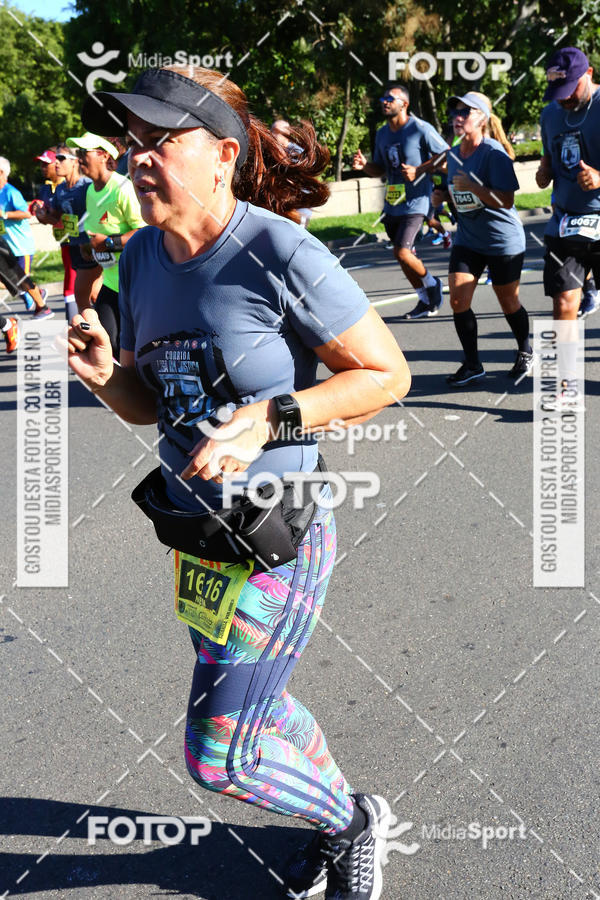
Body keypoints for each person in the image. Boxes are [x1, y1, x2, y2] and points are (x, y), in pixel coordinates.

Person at [68, 65, 411, 900]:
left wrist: (269, 419)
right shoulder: (140, 256)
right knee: (259, 703)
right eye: (130, 144)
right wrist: (106, 375)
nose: (136, 158)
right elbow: (154, 407)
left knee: (218, 753)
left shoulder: (277, 250)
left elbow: (386, 376)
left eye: (158, 142)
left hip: (276, 536)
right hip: (197, 538)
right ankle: (337, 818)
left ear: (222, 155)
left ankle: (353, 821)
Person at [440, 92, 532, 385]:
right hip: (468, 240)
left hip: (501, 240)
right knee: (457, 298)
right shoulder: (453, 154)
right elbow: (457, 195)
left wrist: (474, 187)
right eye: (454, 111)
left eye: (464, 112)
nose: (457, 117)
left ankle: (525, 350)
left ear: (481, 117)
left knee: (508, 302)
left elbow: (505, 200)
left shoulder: (494, 154)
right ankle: (472, 363)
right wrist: (441, 196)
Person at [352, 84, 448, 318]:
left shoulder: (420, 129)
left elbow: (446, 154)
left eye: (390, 98)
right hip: (393, 201)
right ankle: (424, 300)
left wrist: (420, 170)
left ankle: (432, 283)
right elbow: (381, 169)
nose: (385, 101)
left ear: (404, 104)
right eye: (383, 98)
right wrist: (364, 166)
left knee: (403, 251)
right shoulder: (383, 133)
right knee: (401, 254)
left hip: (417, 201)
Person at [65, 132, 145, 356]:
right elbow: (97, 231)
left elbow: (146, 232)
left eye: (83, 153)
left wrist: (109, 242)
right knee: (109, 344)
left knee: (136, 348)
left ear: (103, 156)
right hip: (110, 282)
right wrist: (90, 246)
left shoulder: (123, 189)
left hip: (135, 285)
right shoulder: (91, 191)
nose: (79, 159)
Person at [536, 47, 600, 325]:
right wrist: (544, 170)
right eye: (558, 91)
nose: (564, 99)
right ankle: (561, 369)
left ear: (589, 73)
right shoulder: (550, 114)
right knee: (563, 303)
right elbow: (548, 153)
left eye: (570, 89)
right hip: (565, 222)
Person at [34, 145, 101, 322]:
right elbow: (56, 218)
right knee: (82, 296)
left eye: (61, 158)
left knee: (94, 294)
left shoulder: (87, 186)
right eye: (55, 159)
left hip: (92, 248)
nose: (56, 163)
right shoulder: (61, 189)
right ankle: (86, 336)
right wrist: (42, 216)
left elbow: (102, 215)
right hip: (72, 247)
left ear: (75, 162)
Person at [0, 156, 53, 318]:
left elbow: (26, 213)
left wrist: (4, 214)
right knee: (15, 279)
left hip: (20, 245)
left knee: (22, 278)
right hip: (6, 244)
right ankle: (37, 294)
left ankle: (42, 306)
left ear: (1, 172)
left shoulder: (11, 192)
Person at [0, 235, 53, 319]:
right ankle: (37, 294)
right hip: (11, 248)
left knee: (20, 280)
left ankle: (43, 307)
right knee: (15, 282)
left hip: (20, 249)